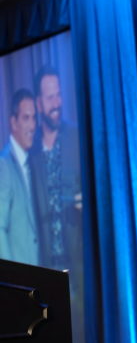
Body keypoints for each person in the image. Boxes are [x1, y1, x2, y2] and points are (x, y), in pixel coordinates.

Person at [30, 65, 82, 270]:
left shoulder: (76, 138)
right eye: (50, 97)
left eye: (59, 95)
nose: (57, 103)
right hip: (46, 268)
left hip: (79, 262)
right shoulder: (31, 150)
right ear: (38, 104)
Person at [0, 89, 39, 265]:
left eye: (34, 118)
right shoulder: (4, 164)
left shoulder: (32, 162)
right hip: (19, 283)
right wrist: (11, 280)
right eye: (26, 118)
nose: (32, 126)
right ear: (13, 122)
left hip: (36, 279)